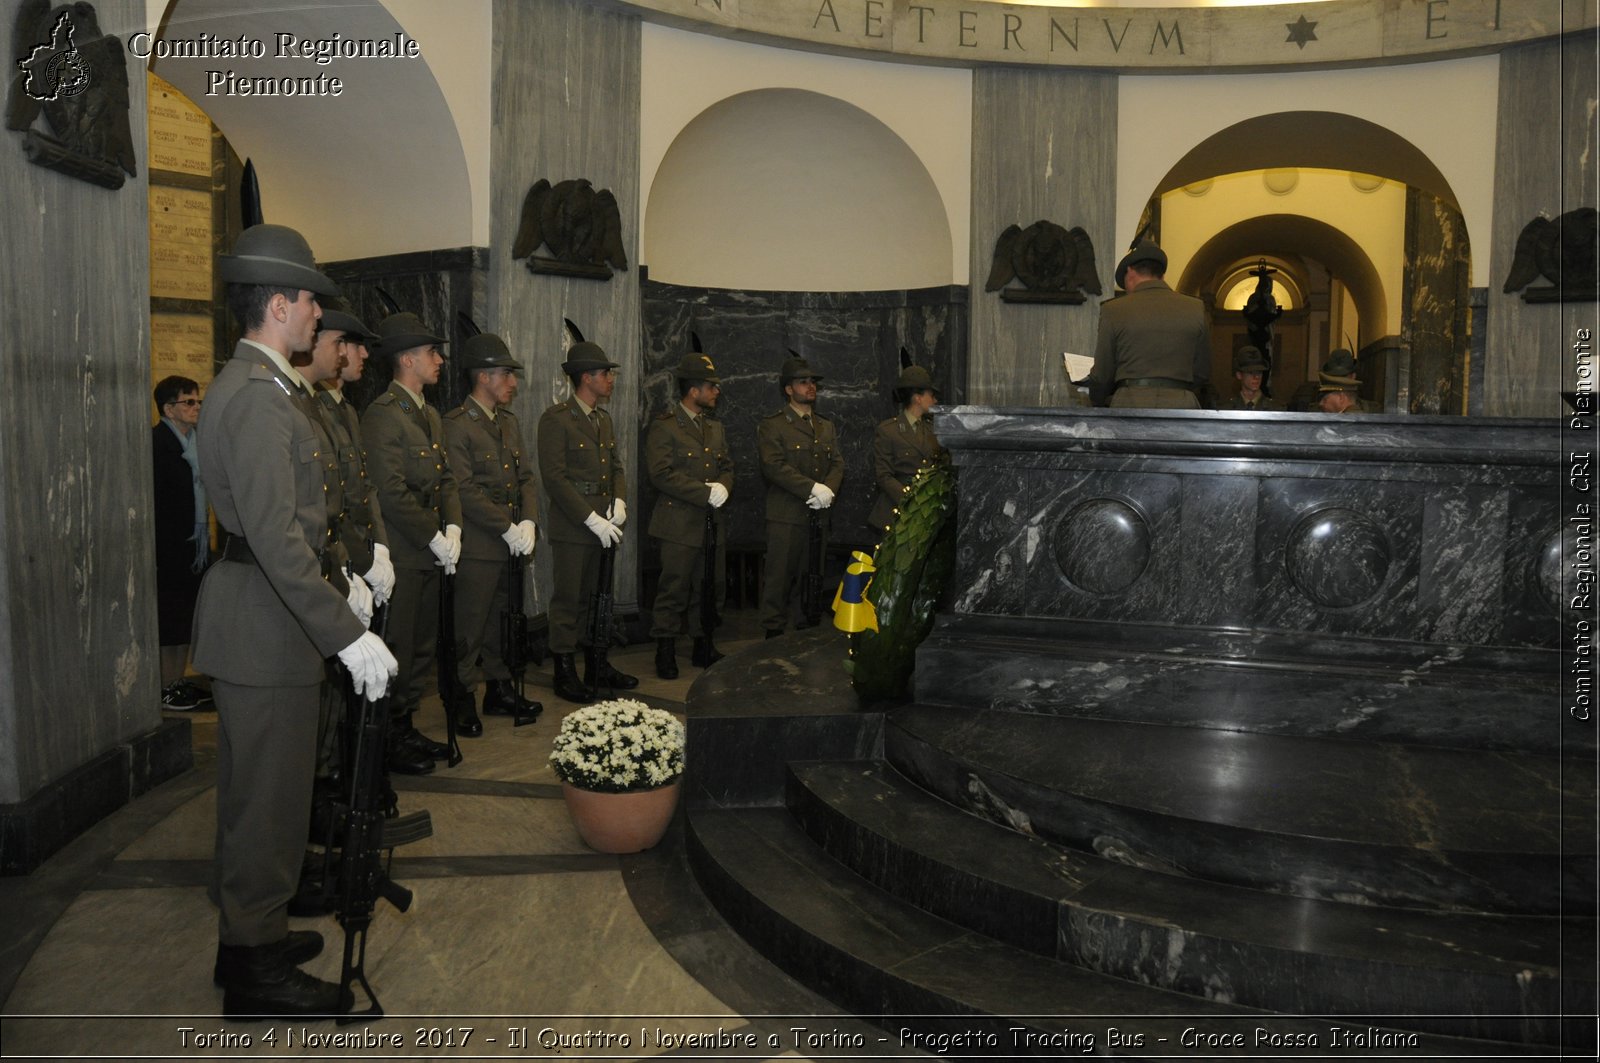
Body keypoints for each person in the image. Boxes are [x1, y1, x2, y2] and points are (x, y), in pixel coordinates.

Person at [191, 223, 395, 1018]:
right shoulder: (256, 400)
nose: (318, 314)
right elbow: (278, 541)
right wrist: (347, 633)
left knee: (265, 800)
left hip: (271, 621)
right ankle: (254, 970)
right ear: (278, 305)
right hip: (266, 625)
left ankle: (251, 938)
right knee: (266, 807)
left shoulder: (267, 392)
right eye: (310, 300)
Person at [305, 307, 395, 846]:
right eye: (351, 344)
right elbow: (321, 509)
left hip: (351, 561)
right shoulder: (312, 409)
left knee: (339, 697)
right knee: (324, 698)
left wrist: (376, 550)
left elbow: (363, 495)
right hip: (332, 567)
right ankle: (319, 791)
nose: (358, 355)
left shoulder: (344, 410)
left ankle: (333, 781)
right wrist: (351, 565)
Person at [361, 313, 463, 775]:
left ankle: (404, 724)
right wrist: (432, 536)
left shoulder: (430, 415)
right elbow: (390, 491)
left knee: (423, 648)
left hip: (432, 551)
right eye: (431, 353)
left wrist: (454, 528)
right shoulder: (383, 416)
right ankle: (388, 736)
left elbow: (446, 481)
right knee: (400, 645)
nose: (439, 361)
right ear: (407, 360)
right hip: (405, 551)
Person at [443, 333, 542, 730]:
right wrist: (506, 526)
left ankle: (499, 688)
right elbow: (462, 489)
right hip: (480, 545)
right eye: (506, 374)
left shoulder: (509, 424)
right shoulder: (457, 425)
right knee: (470, 623)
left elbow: (526, 479)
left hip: (510, 545)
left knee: (503, 620)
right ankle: (461, 694)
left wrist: (529, 521)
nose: (513, 383)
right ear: (483, 376)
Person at [537, 341, 638, 702]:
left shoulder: (602, 420)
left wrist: (620, 500)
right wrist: (590, 518)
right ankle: (564, 670)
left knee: (600, 597)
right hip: (574, 526)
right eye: (605, 374)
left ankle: (597, 661)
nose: (611, 379)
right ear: (586, 378)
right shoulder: (557, 418)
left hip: (605, 526)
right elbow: (555, 478)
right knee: (569, 600)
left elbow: (615, 467)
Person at [645, 352, 734, 679]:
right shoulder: (665, 427)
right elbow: (660, 473)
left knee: (711, 585)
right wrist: (704, 492)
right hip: (678, 524)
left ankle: (703, 644)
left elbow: (727, 466)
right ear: (693, 390)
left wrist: (724, 485)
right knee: (674, 588)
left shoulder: (715, 429)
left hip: (711, 524)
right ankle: (664, 649)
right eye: (711, 387)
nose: (716, 392)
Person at [757, 355, 845, 637]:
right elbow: (773, 466)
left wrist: (828, 489)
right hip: (786, 515)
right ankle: (772, 634)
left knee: (811, 577)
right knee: (779, 578)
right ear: (788, 389)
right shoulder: (774, 425)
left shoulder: (825, 426)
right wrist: (811, 488)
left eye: (813, 382)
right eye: (803, 382)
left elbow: (837, 463)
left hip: (817, 515)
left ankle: (806, 632)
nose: (811, 387)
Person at [1088, 242, 1211, 409]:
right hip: (1181, 405)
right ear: (1162, 275)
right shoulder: (1196, 308)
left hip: (1129, 404)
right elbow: (1202, 372)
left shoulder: (1113, 310)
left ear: (1130, 272)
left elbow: (1102, 375)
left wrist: (1097, 401)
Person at [151, 374, 211, 710]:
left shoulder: (198, 443)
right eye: (189, 402)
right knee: (169, 620)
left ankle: (176, 682)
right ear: (168, 408)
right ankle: (163, 686)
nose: (196, 407)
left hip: (194, 547)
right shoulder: (158, 443)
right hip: (169, 546)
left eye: (198, 401)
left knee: (186, 620)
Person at [867, 362, 946, 536]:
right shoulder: (889, 430)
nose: (935, 401)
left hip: (926, 513)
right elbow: (884, 475)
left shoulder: (933, 430)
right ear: (917, 398)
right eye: (931, 395)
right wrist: (910, 499)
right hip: (896, 512)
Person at [1220, 345, 1280, 411]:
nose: (1256, 377)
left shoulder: (1277, 409)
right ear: (1239, 375)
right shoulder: (1226, 410)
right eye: (1250, 372)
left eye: (1259, 372)